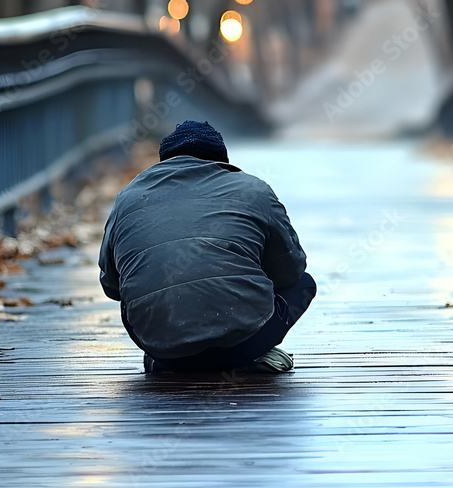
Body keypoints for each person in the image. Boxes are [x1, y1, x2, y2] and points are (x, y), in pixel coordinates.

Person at [99, 120, 316, 374]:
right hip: (243, 345)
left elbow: (112, 287)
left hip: (163, 349)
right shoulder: (254, 190)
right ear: (221, 159)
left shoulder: (128, 198)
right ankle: (250, 354)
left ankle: (173, 359)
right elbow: (292, 269)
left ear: (165, 161)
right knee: (303, 284)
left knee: (134, 294)